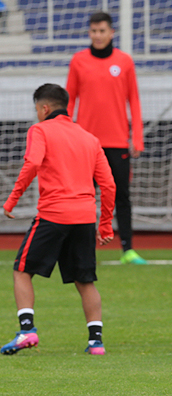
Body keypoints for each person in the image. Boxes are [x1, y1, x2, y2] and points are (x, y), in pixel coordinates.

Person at [1, 84, 115, 355]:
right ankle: (96, 343)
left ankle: (27, 331)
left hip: (54, 215)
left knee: (22, 270)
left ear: (44, 108)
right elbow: (109, 185)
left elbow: (32, 164)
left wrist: (12, 199)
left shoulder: (39, 130)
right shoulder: (89, 138)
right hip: (85, 217)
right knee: (85, 280)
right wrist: (106, 223)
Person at [66, 11, 146, 265]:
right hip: (86, 144)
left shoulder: (124, 61)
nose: (98, 35)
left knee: (121, 195)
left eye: (102, 31)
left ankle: (128, 250)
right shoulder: (78, 61)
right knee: (84, 197)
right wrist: (65, 133)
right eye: (94, 31)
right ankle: (83, 248)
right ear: (89, 33)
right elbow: (70, 100)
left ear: (112, 33)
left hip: (118, 142)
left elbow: (133, 99)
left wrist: (138, 137)